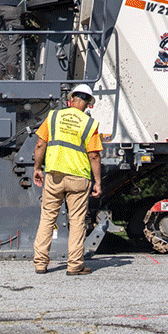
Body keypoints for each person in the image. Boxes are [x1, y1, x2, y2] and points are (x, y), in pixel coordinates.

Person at [32, 83, 102, 275]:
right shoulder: (89, 124)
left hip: (54, 176)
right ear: (88, 104)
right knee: (77, 221)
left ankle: (40, 264)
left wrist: (37, 168)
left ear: (71, 100)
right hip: (79, 178)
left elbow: (40, 144)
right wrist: (97, 181)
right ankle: (74, 266)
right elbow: (94, 156)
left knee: (47, 218)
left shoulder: (53, 117)